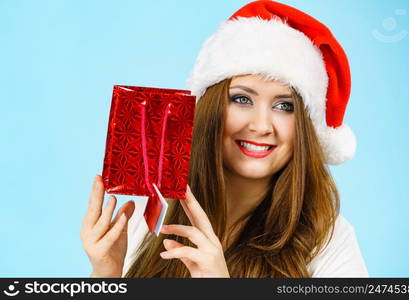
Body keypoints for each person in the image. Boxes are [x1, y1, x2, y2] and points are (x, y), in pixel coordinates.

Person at [80, 0, 368, 278]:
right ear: (211, 109)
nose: (261, 125)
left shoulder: (329, 241)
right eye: (242, 99)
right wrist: (107, 275)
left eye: (284, 106)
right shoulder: (148, 217)